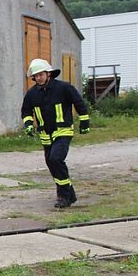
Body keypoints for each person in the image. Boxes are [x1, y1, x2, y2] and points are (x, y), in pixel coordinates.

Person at [21, 58, 91, 209]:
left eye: (41, 74)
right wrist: (28, 124)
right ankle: (69, 193)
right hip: (45, 135)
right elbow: (26, 111)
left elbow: (79, 103)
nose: (39, 78)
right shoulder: (32, 94)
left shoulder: (64, 88)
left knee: (56, 159)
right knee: (52, 164)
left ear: (49, 73)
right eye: (36, 75)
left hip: (63, 131)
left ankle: (63, 196)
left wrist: (84, 122)